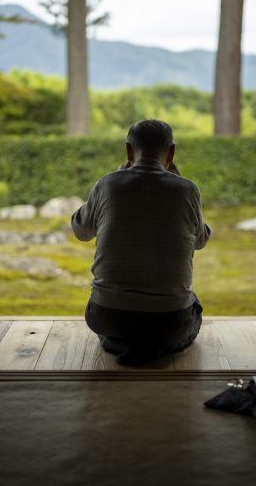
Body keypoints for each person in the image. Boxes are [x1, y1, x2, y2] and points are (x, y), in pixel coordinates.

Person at [71, 119, 211, 366]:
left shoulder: (107, 184)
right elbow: (201, 241)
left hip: (107, 316)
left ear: (128, 151)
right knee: (193, 306)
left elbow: (80, 231)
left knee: (115, 319)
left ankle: (122, 342)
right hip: (170, 321)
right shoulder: (187, 189)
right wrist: (182, 185)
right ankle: (159, 346)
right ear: (171, 153)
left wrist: (110, 183)